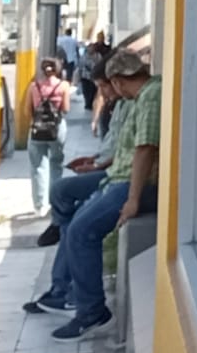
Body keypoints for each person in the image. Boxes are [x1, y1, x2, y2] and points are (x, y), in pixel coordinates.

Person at [22, 50, 161, 342]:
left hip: (132, 184)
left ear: (118, 81)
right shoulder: (140, 97)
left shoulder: (150, 97)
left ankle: (90, 312)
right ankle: (69, 292)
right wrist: (99, 165)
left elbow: (145, 149)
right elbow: (129, 149)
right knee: (73, 224)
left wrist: (133, 199)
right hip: (118, 178)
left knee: (81, 231)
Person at [35, 61, 129, 248]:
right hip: (103, 163)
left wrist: (97, 166)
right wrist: (93, 159)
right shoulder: (118, 105)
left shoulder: (130, 106)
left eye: (104, 87)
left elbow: (126, 151)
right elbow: (111, 145)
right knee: (70, 217)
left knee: (62, 193)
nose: (103, 93)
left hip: (114, 172)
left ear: (116, 82)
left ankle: (60, 224)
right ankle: (62, 225)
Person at [26, 58, 71, 216]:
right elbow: (66, 109)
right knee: (56, 163)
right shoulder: (63, 86)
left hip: (37, 129)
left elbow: (27, 110)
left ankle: (40, 206)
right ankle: (54, 200)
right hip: (57, 129)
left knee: (37, 165)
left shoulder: (34, 86)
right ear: (58, 69)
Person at [81, 30, 111, 111]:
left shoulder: (105, 49)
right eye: (99, 37)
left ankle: (90, 103)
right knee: (86, 90)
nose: (100, 39)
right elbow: (82, 63)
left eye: (102, 37)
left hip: (96, 73)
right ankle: (88, 103)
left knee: (93, 90)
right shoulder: (90, 51)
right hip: (86, 75)